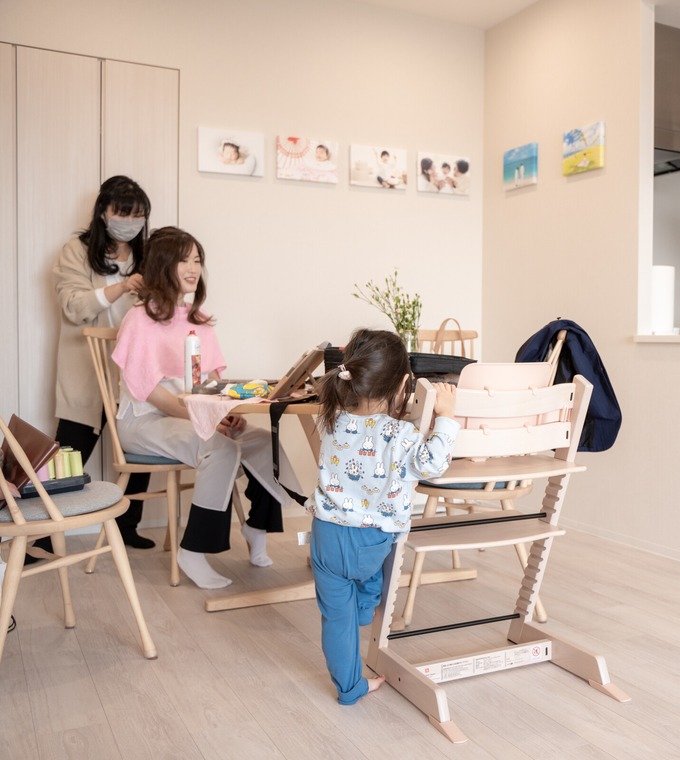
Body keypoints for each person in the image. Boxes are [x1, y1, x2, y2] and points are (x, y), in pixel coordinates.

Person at [112, 227, 301, 590]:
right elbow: (150, 393)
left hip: (193, 417)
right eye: (184, 259)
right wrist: (205, 419)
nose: (193, 268)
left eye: (197, 260)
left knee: (264, 441)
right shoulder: (139, 318)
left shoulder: (198, 319)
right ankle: (194, 551)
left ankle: (259, 527)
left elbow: (214, 385)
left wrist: (223, 413)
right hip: (145, 422)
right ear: (163, 264)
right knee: (221, 446)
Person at [306, 329, 458, 705]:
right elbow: (432, 464)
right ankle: (364, 609)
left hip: (325, 536)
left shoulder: (331, 422)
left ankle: (350, 687)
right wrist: (447, 418)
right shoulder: (401, 433)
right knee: (371, 576)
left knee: (335, 619)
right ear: (404, 384)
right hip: (370, 541)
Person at [51, 176, 154, 550]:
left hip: (132, 369)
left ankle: (128, 528)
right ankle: (46, 533)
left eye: (138, 215)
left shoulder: (147, 255)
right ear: (103, 212)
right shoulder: (75, 252)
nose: (130, 222)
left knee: (137, 447)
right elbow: (75, 306)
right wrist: (121, 287)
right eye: (122, 213)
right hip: (87, 367)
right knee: (69, 454)